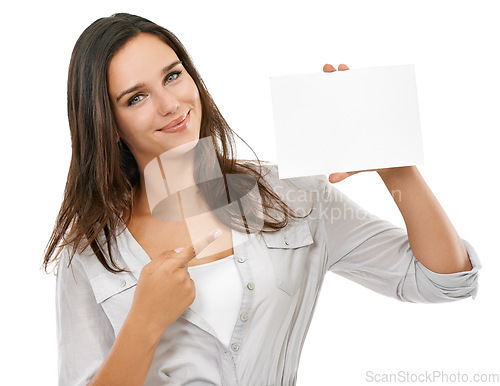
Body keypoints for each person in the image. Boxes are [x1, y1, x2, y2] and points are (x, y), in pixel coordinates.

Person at [42, 12, 481, 386]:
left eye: (173, 76)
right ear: (108, 123)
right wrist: (143, 324)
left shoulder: (292, 197)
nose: (170, 104)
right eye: (136, 97)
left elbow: (444, 281)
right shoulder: (88, 254)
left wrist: (396, 165)